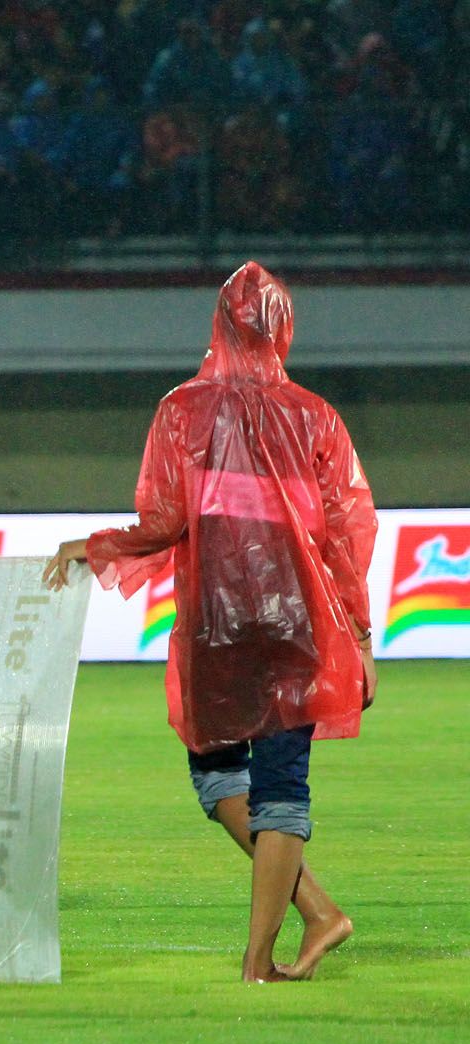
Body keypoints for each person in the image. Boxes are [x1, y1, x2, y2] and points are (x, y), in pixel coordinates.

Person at [44, 262, 375, 984]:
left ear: (219, 324)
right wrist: (361, 635)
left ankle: (280, 944)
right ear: (284, 329)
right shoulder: (315, 415)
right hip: (299, 620)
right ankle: (303, 924)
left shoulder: (182, 410)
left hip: (221, 625)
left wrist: (96, 546)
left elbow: (164, 520)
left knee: (219, 774)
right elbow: (347, 530)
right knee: (282, 779)